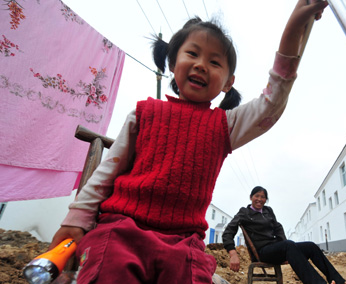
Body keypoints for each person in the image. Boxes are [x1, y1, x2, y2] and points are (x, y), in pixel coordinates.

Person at [48, 0, 329, 283]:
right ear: (172, 62)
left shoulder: (225, 125)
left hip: (184, 242)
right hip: (122, 229)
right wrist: (77, 221)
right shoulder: (143, 114)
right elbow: (107, 172)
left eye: (214, 61)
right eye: (192, 53)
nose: (200, 65)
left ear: (228, 82)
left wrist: (295, 26)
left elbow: (273, 102)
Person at [222, 186, 346, 284]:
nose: (259, 199)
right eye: (256, 196)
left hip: (276, 248)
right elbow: (228, 232)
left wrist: (287, 250)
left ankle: (340, 281)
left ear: (266, 199)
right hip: (262, 252)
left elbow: (278, 227)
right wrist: (233, 253)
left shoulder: (268, 211)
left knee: (311, 246)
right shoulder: (244, 212)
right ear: (251, 197)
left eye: (263, 197)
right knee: (289, 245)